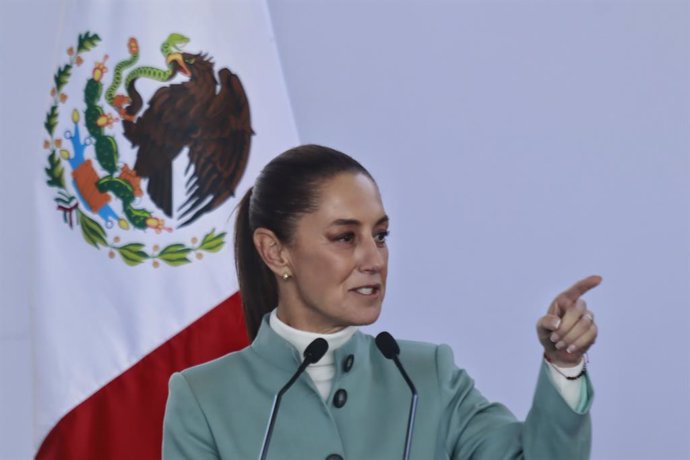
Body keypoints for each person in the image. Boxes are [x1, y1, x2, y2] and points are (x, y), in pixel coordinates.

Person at [162, 144, 601, 459]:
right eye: (345, 238)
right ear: (276, 252)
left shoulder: (427, 377)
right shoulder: (202, 398)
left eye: (381, 236)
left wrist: (564, 365)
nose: (374, 259)